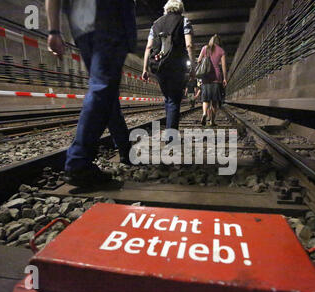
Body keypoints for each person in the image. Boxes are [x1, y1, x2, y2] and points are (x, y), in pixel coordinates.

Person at [46, 0, 137, 187]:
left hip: (81, 27)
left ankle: (126, 150)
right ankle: (78, 163)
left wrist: (54, 30)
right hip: (108, 19)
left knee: (107, 93)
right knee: (103, 88)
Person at [142, 0, 194, 140]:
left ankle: (170, 133)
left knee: (168, 99)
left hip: (159, 66)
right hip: (176, 66)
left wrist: (145, 69)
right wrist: (193, 67)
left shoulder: (156, 23)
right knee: (173, 100)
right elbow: (189, 45)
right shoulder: (184, 21)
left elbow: (148, 47)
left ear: (167, 9)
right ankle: (171, 138)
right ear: (180, 9)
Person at [198, 34, 227, 127]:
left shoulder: (205, 48)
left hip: (206, 78)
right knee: (214, 102)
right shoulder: (221, 51)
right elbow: (223, 66)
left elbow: (199, 61)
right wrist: (225, 78)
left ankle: (204, 114)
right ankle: (212, 121)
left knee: (206, 99)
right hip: (216, 78)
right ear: (219, 42)